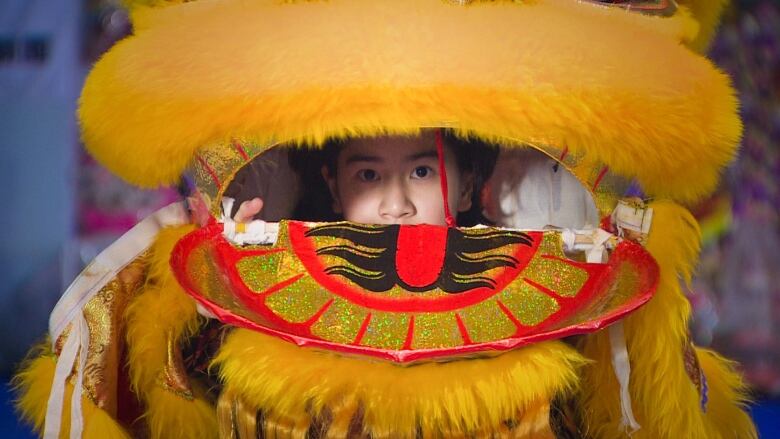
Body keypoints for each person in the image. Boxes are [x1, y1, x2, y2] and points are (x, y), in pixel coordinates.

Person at [231, 130, 498, 227]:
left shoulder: (505, 279)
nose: (396, 208)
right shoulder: (303, 279)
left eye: (421, 172)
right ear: (335, 189)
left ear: (465, 188)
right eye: (369, 175)